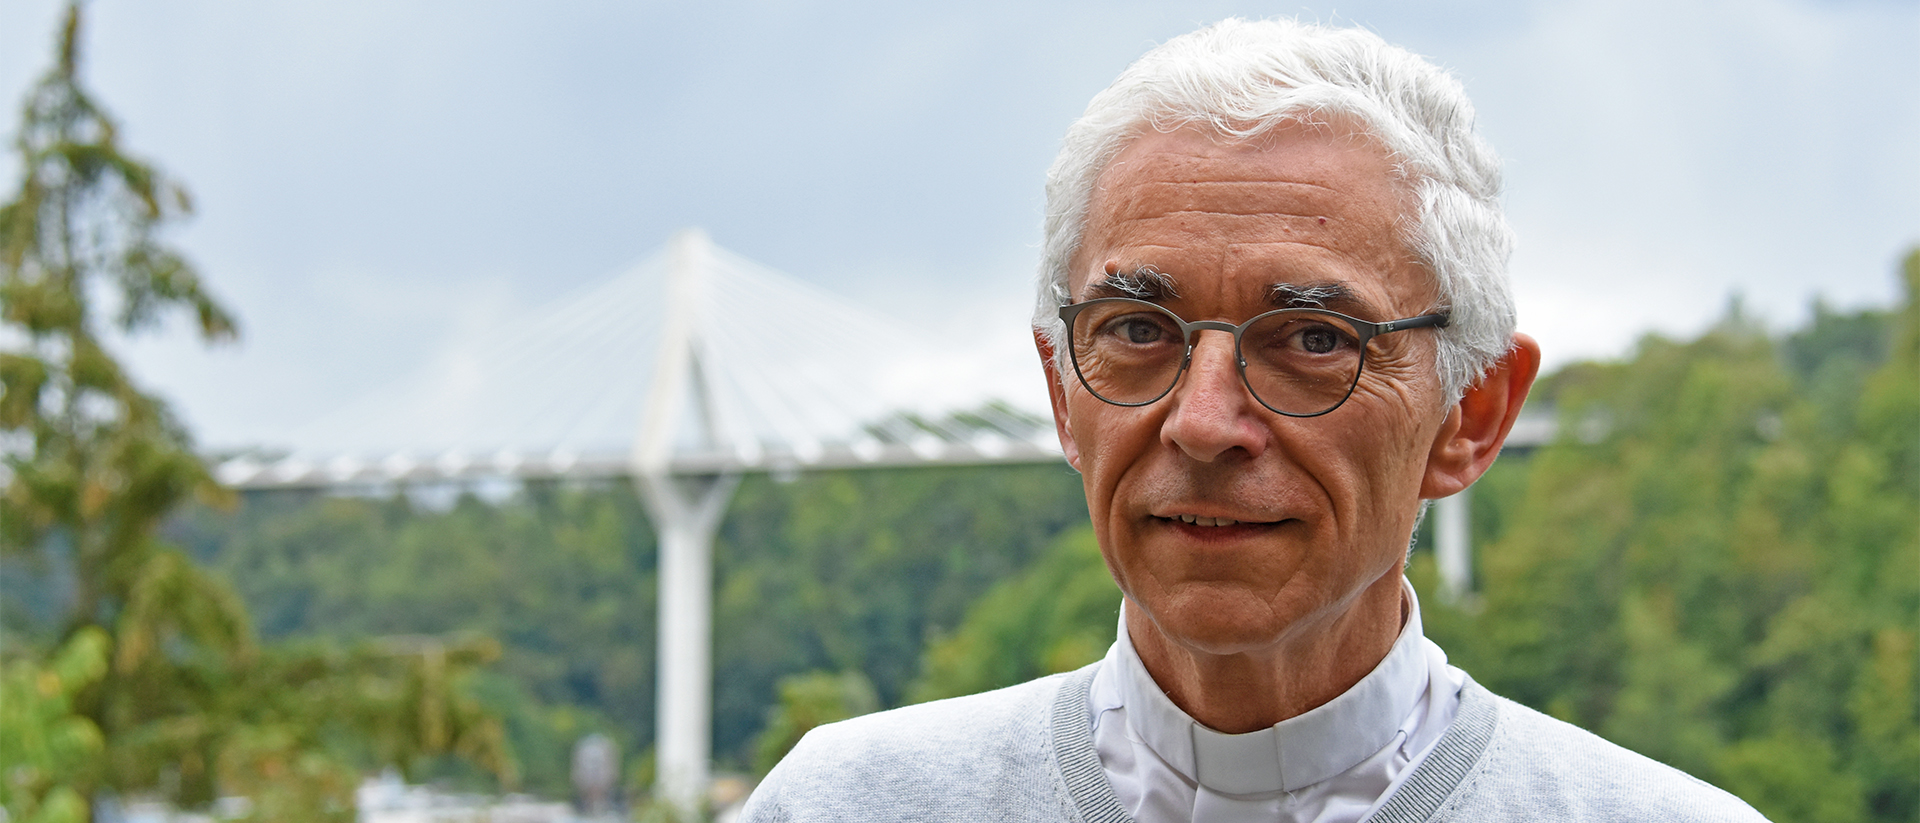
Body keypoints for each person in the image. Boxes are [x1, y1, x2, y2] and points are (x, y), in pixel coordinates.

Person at [741, 18, 1768, 822]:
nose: (1202, 421)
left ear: (1472, 413)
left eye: (1314, 337)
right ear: (1061, 389)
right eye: (1138, 327)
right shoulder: (846, 805)